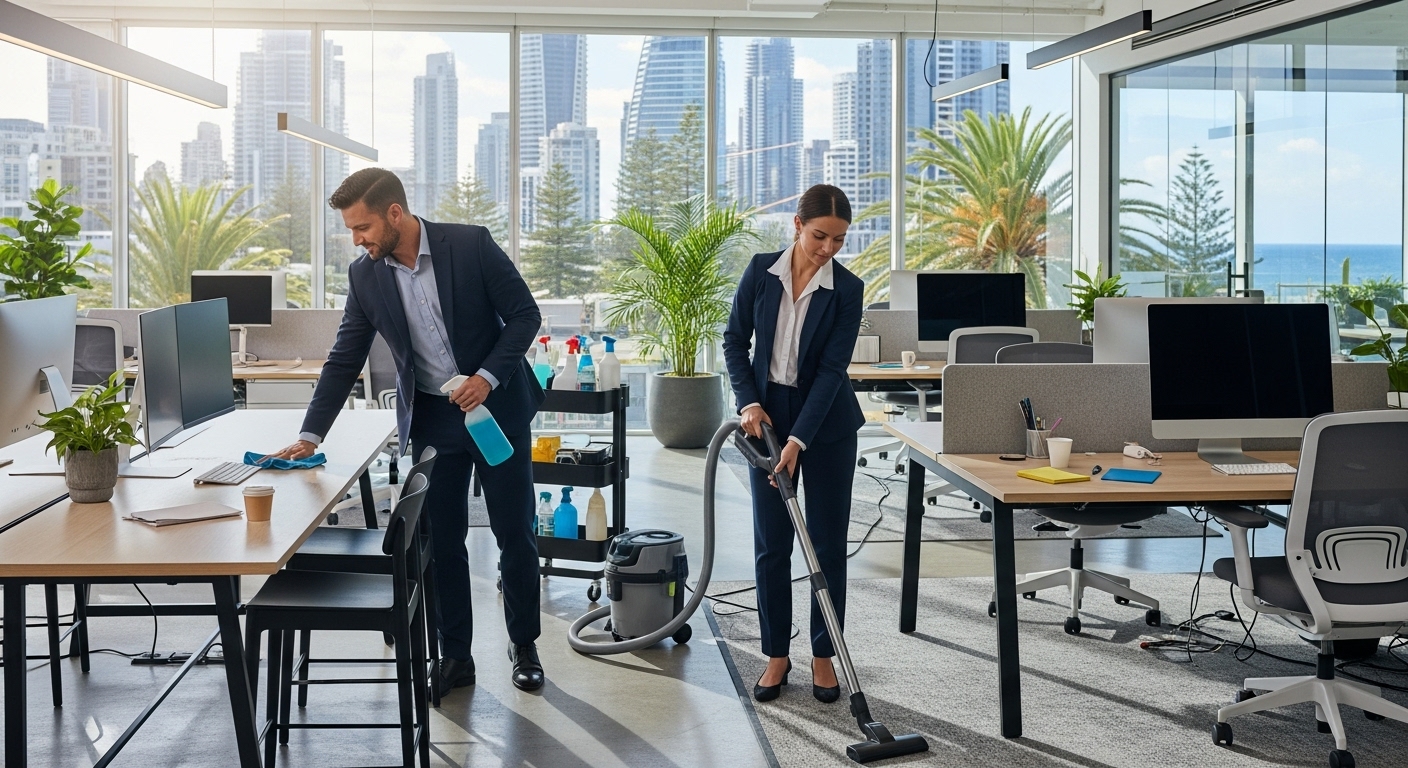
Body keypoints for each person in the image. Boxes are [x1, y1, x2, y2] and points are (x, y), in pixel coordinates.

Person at [264, 168, 548, 693]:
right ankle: (456, 657)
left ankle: (524, 643)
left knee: (515, 534)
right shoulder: (366, 275)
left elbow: (524, 316)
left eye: (363, 226)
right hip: (437, 419)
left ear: (395, 213)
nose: (357, 239)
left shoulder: (469, 244)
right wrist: (311, 435)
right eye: (350, 230)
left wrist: (487, 377)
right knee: (442, 541)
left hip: (497, 409)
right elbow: (345, 355)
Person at [721, 184, 865, 704]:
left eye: (839, 240)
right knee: (773, 544)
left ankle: (824, 657)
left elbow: (832, 370)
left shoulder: (847, 289)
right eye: (820, 235)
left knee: (826, 545)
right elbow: (735, 341)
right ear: (797, 224)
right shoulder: (761, 271)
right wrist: (748, 403)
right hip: (766, 420)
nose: (828, 248)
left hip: (825, 425)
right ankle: (776, 654)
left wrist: (800, 438)